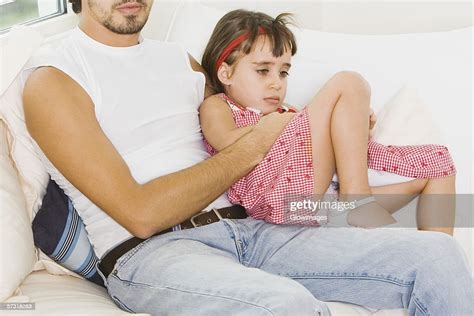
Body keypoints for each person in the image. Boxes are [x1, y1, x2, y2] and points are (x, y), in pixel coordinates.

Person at [22, 0, 472, 315]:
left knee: (437, 255)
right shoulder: (55, 78)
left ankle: (359, 206)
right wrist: (258, 142)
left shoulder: (182, 62)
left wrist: (346, 127)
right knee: (285, 305)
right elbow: (142, 214)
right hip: (154, 251)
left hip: (255, 228)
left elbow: (258, 116)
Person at [200, 10, 457, 231]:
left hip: (319, 205)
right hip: (278, 200)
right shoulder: (219, 105)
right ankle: (357, 201)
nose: (276, 83)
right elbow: (227, 145)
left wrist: (354, 128)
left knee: (439, 165)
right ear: (226, 72)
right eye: (263, 70)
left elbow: (321, 152)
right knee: (349, 82)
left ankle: (440, 258)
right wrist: (272, 126)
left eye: (284, 72)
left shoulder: (286, 111)